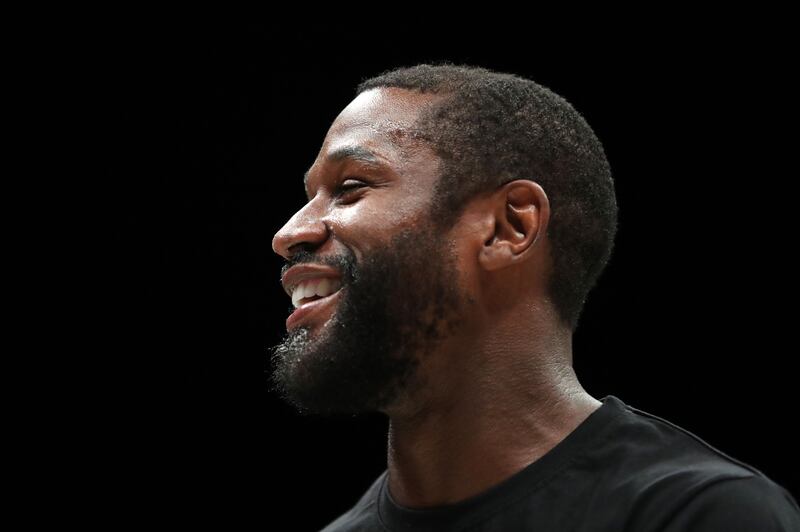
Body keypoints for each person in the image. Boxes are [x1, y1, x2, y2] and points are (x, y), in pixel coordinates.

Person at [269, 63, 799, 531]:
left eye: (351, 187)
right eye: (308, 196)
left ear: (508, 228)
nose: (289, 233)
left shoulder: (701, 514)